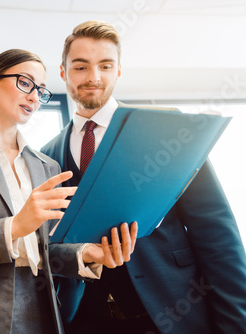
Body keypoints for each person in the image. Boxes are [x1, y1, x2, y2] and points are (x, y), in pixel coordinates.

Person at [41, 20, 246, 333]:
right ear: (63, 72)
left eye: (105, 66)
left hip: (171, 312)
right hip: (82, 320)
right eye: (80, 67)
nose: (93, 77)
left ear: (118, 71)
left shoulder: (168, 131)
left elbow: (216, 233)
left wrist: (236, 324)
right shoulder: (45, 156)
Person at [0, 48, 138, 334]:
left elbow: (46, 253)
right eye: (25, 83)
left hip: (38, 314)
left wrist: (85, 254)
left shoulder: (48, 166)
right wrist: (15, 226)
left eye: (41, 91)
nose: (34, 96)